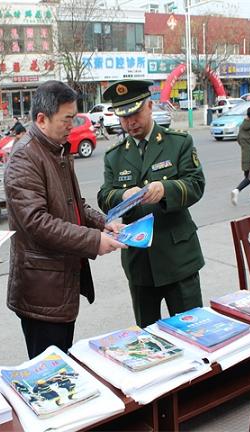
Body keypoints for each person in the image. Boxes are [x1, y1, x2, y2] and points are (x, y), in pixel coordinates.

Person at [4, 80, 125, 359]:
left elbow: (74, 204)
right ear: (42, 119)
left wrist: (103, 223)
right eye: (67, 119)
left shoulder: (55, 149)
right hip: (41, 289)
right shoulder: (25, 157)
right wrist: (94, 240)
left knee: (62, 363)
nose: (72, 126)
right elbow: (37, 223)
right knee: (50, 370)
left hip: (59, 282)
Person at [97, 79, 205, 328]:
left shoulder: (178, 142)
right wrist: (123, 195)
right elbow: (105, 196)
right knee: (148, 336)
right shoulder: (115, 155)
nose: (130, 122)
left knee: (193, 332)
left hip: (179, 258)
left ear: (150, 106)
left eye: (135, 114)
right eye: (124, 117)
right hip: (140, 262)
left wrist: (165, 189)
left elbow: (196, 184)